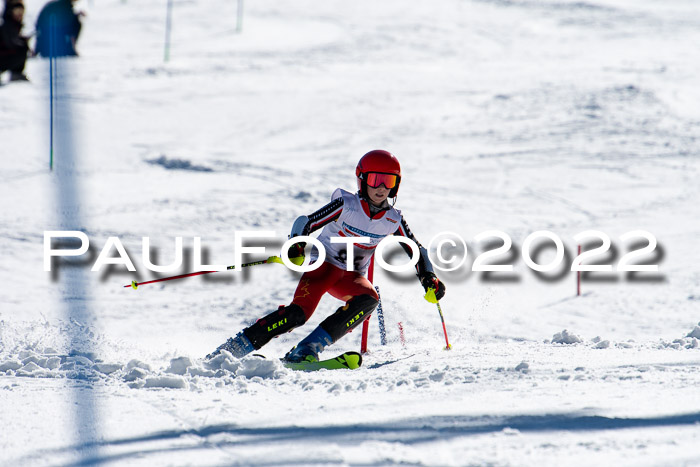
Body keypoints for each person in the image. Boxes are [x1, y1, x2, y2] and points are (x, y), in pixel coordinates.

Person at [208, 150, 446, 363]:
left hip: (350, 276)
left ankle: (307, 348)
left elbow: (416, 249)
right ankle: (234, 348)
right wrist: (297, 245)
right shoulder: (346, 205)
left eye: (389, 181)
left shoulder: (393, 218)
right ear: (362, 180)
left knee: (368, 299)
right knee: (298, 315)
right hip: (324, 266)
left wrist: (429, 277)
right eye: (375, 180)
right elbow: (307, 221)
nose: (381, 187)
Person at [0, 0, 30, 82]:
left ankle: (16, 73)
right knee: (23, 48)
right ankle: (16, 73)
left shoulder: (14, 24)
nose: (20, 14)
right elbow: (10, 43)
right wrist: (22, 42)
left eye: (21, 11)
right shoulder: (8, 24)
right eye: (17, 11)